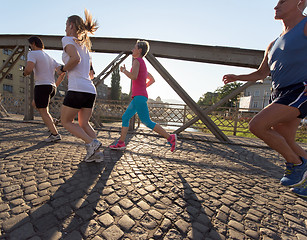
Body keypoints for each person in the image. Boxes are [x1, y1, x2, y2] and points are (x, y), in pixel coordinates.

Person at [222, 0, 307, 197]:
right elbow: (261, 74)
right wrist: (237, 77)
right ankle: (302, 167)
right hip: (278, 93)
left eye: (283, 1)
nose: (276, 6)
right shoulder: (273, 43)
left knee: (257, 125)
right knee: (286, 139)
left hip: (299, 90)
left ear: (300, 2)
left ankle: (296, 164)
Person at [109, 40, 177, 152]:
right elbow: (152, 79)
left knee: (146, 121)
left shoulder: (137, 61)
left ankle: (170, 137)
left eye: (134, 48)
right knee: (125, 117)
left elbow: (134, 76)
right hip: (139, 96)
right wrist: (143, 87)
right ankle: (121, 143)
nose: (132, 50)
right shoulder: (143, 63)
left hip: (139, 96)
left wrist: (125, 71)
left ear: (139, 50)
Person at [56, 9, 102, 162]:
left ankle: (92, 143)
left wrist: (62, 69)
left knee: (66, 121)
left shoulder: (67, 40)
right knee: (84, 123)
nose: (64, 28)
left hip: (77, 88)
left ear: (71, 25)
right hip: (90, 90)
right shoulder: (86, 48)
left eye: (65, 25)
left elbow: (75, 59)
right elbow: (91, 73)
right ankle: (96, 154)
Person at [23, 36, 64, 142]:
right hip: (51, 87)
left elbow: (28, 69)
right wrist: (55, 84)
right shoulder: (49, 57)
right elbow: (61, 72)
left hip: (42, 86)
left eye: (30, 45)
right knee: (35, 104)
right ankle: (52, 121)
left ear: (33, 44)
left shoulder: (32, 53)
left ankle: (55, 134)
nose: (30, 47)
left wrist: (25, 72)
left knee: (43, 110)